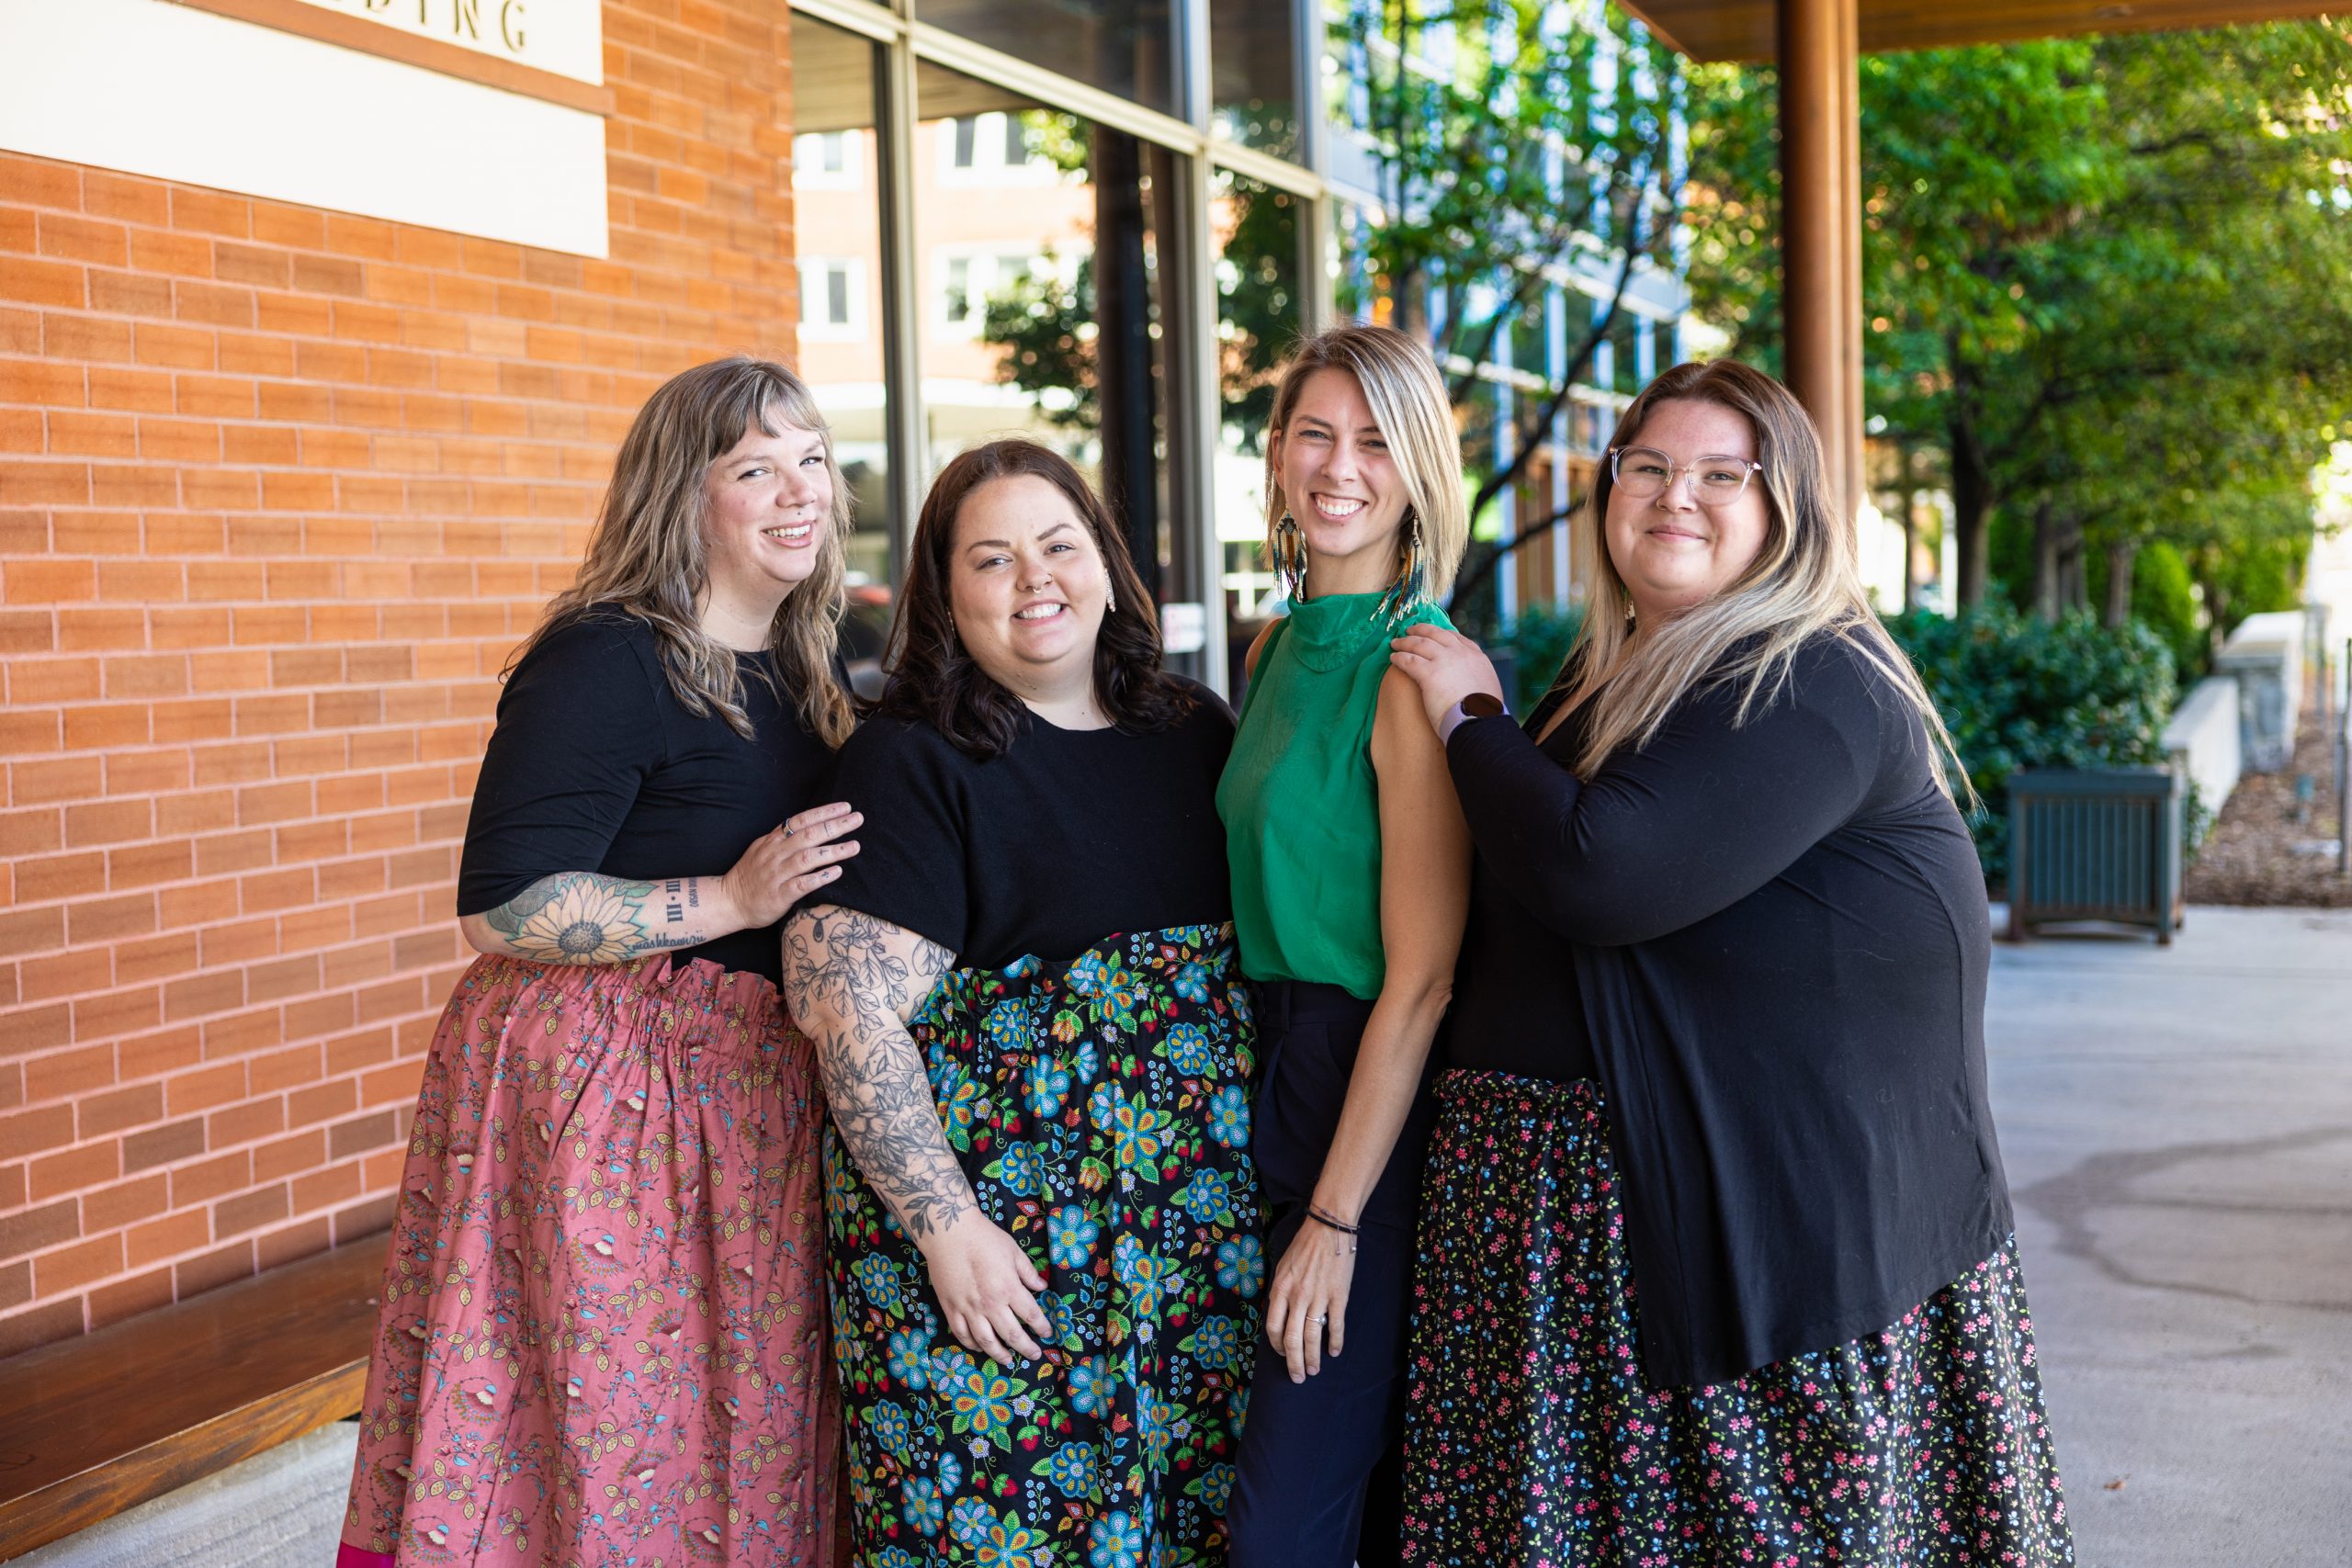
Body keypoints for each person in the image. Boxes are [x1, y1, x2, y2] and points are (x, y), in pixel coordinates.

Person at [1386, 358, 2074, 1567]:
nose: (1673, 495)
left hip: (1771, 1255)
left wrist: (1469, 718)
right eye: (1645, 466)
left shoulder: (1809, 673)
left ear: (1786, 507)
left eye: (1720, 473)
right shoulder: (1618, 674)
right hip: (1593, 1241)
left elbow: (1602, 872)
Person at [337, 357, 860, 1568]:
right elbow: (503, 904)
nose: (798, 493)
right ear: (684, 494)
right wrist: (727, 895)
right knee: (610, 1422)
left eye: (814, 460)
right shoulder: (608, 656)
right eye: (755, 468)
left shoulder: (816, 661)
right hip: (609, 1105)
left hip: (746, 1103)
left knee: (725, 1422)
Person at [782, 439, 1258, 1562]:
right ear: (946, 600)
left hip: (1193, 1265)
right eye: (991, 560)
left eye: (1058, 544)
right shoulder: (911, 760)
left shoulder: (1192, 732)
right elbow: (843, 1010)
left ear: (1105, 562)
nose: (1035, 578)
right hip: (1007, 1274)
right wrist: (950, 1235)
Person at [1216, 323, 1474, 1568]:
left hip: (1362, 1097)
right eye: (1314, 432)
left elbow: (1421, 978)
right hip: (1258, 1069)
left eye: (1374, 439)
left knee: (1282, 1526)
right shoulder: (1270, 648)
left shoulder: (1413, 667)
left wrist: (1337, 1213)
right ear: (1274, 456)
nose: (1338, 465)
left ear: (1419, 467)